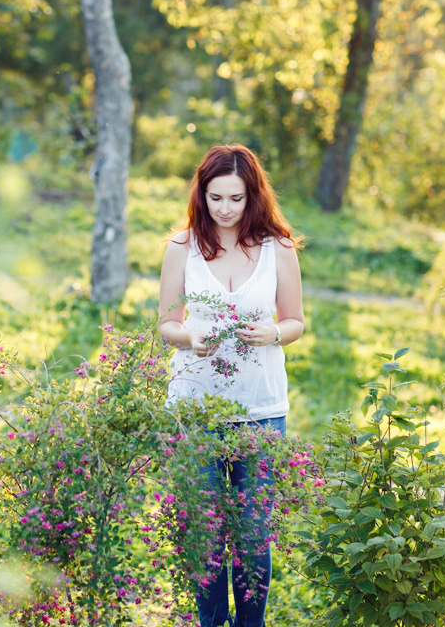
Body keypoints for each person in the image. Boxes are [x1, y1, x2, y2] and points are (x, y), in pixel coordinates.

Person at [157, 144, 305, 627]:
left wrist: (273, 333)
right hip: (194, 409)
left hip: (260, 411)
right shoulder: (181, 248)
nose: (224, 208)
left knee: (252, 535)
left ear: (252, 197)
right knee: (203, 534)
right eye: (215, 197)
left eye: (235, 198)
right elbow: (166, 323)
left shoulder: (277, 249)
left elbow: (296, 321)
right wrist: (189, 337)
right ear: (201, 194)